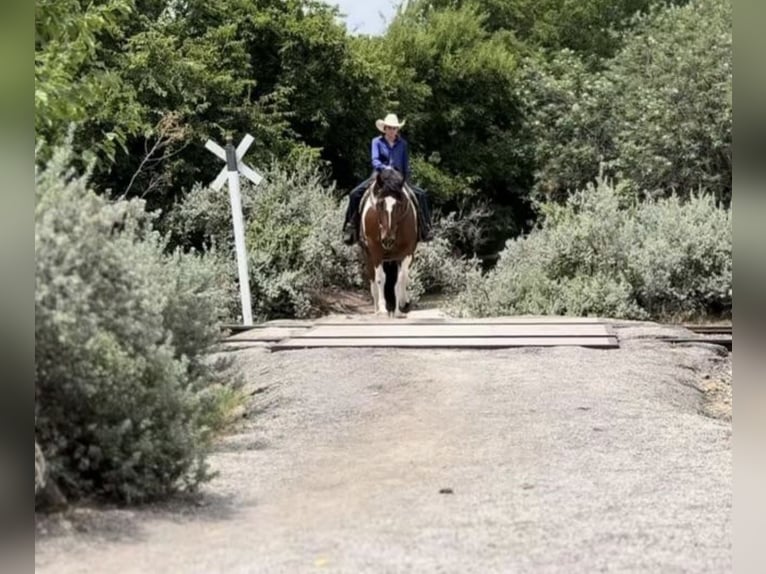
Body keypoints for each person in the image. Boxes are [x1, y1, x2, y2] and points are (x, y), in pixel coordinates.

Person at [342, 113, 433, 245]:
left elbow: (405, 164)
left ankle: (425, 227)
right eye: (389, 128)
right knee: (355, 194)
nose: (392, 131)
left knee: (421, 194)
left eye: (394, 128)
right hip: (380, 175)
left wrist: (405, 178)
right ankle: (351, 227)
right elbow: (375, 160)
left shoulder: (403, 144)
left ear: (397, 130)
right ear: (384, 128)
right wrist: (385, 169)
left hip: (398, 178)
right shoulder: (376, 142)